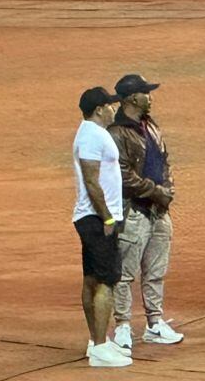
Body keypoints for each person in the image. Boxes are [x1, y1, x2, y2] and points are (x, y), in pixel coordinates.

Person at [108, 74, 183, 355]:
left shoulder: (151, 125)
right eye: (145, 93)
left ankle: (154, 322)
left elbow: (165, 161)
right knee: (125, 274)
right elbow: (123, 176)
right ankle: (123, 326)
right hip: (134, 211)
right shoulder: (116, 133)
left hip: (158, 210)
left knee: (155, 272)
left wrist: (168, 190)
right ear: (132, 98)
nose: (150, 97)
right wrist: (156, 192)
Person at [73, 86, 131, 368]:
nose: (113, 109)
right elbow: (91, 181)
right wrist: (107, 217)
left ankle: (99, 341)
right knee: (106, 280)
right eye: (109, 106)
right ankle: (98, 347)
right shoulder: (91, 135)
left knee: (92, 279)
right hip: (97, 219)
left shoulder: (93, 133)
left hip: (95, 217)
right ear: (98, 109)